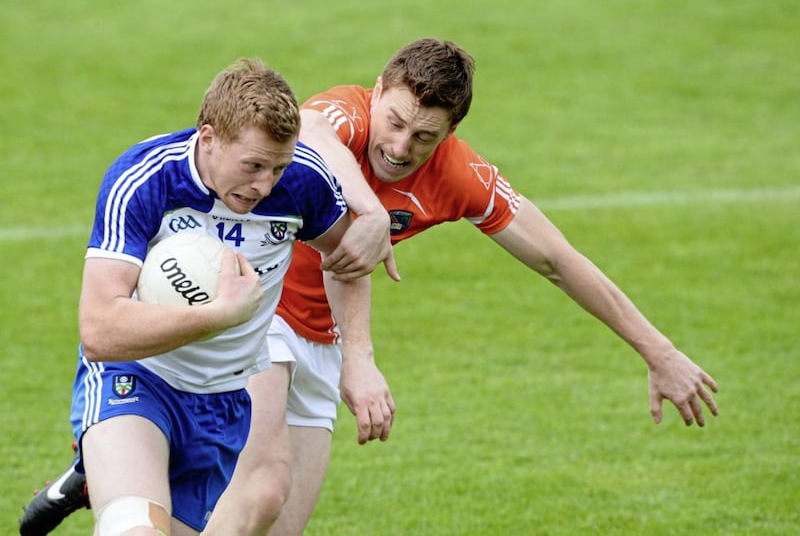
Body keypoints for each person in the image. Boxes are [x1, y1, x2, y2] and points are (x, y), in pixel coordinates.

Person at [22, 38, 719, 535]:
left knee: (270, 521)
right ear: (378, 92)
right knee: (260, 486)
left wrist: (657, 350)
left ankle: (112, 477)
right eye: (395, 120)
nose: (400, 145)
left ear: (450, 132)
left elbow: (558, 259)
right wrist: (367, 212)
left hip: (320, 333)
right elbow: (318, 128)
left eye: (425, 135)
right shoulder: (332, 127)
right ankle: (123, 471)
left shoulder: (457, 175)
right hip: (253, 318)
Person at [19, 57, 387, 536]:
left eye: (277, 167)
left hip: (223, 402)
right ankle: (109, 460)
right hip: (137, 380)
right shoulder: (146, 179)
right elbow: (100, 331)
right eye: (253, 165)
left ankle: (97, 475)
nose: (264, 185)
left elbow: (349, 260)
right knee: (133, 528)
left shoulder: (302, 181)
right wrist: (218, 315)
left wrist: (358, 357)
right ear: (209, 138)